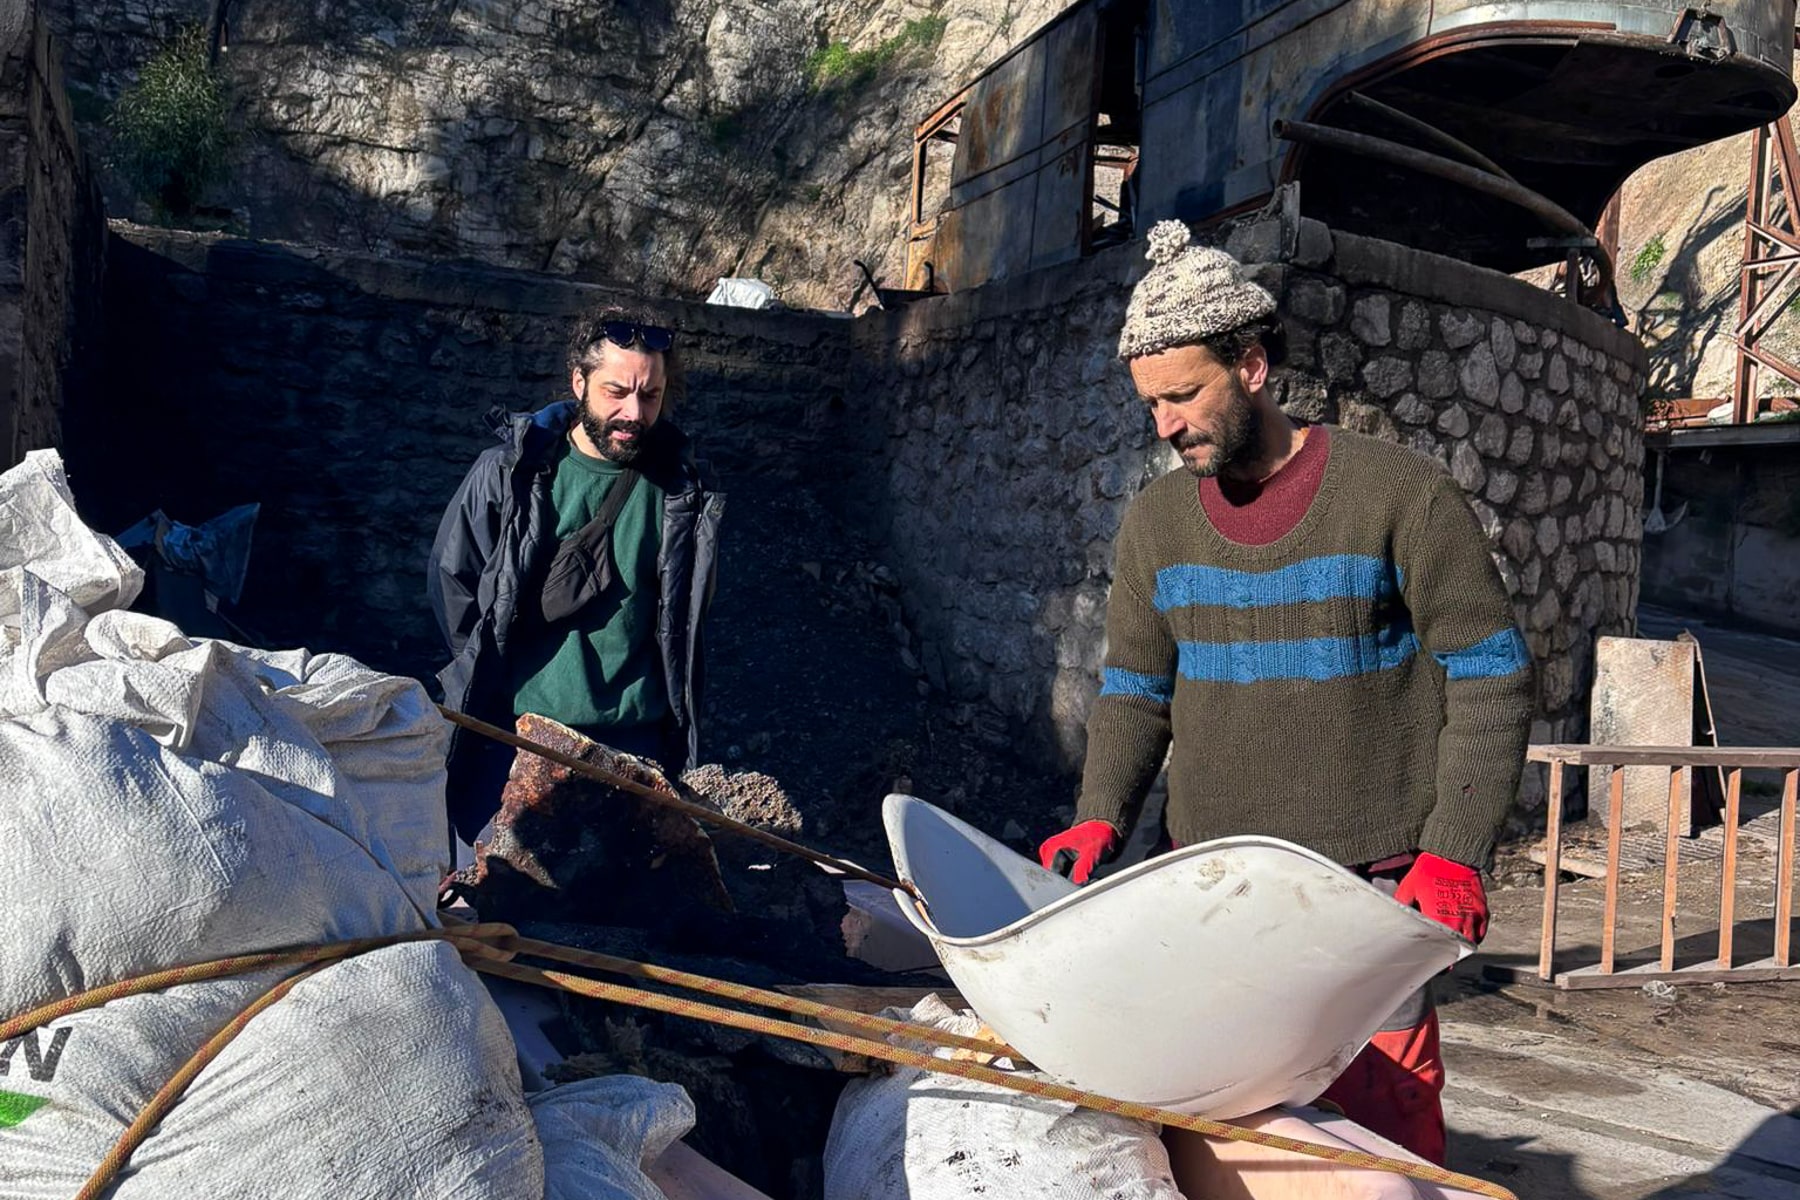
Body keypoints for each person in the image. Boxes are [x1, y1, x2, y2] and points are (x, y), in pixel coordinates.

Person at [1037, 222, 1534, 1164]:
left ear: (1253, 366)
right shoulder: (1155, 523)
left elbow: (1491, 675)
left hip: (1372, 892)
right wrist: (1101, 814)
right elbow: (1136, 689)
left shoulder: (1400, 495)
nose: (1166, 424)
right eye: (1151, 403)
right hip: (1210, 886)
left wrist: (1456, 851)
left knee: (1384, 1129)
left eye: (1184, 395)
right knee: (1234, 1123)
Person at [429, 304, 725, 847]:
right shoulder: (510, 473)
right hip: (514, 737)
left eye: (650, 395)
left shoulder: (682, 494)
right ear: (579, 381)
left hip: (633, 745)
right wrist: (492, 676)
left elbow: (684, 620)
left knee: (609, 919)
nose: (634, 411)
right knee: (495, 916)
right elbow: (455, 583)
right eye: (616, 391)